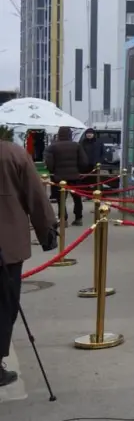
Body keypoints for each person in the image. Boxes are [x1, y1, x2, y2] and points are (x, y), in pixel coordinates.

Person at [0, 136, 58, 386]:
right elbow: (35, 196)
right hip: (7, 244)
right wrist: (47, 233)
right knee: (4, 306)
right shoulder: (13, 154)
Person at [43, 126, 88, 226]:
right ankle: (78, 218)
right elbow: (84, 162)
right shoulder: (76, 146)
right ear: (70, 134)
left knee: (61, 199)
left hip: (59, 176)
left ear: (59, 134)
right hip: (74, 175)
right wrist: (78, 170)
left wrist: (53, 171)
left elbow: (49, 163)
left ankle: (63, 219)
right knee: (77, 197)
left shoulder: (52, 147)